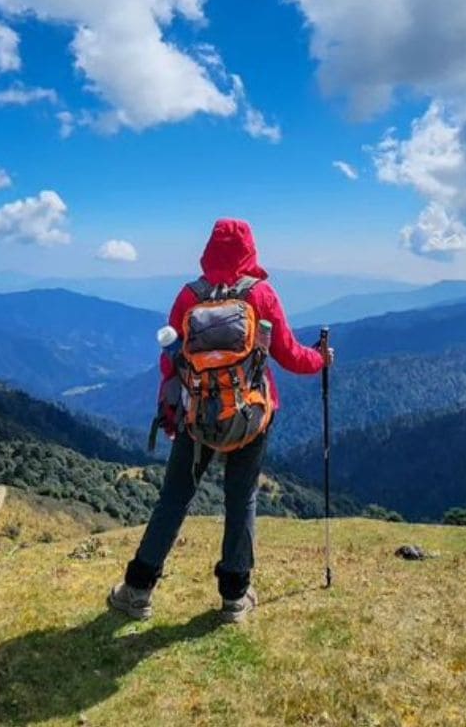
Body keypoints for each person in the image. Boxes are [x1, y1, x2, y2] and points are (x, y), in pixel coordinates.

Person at [107, 219, 333, 624]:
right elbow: (291, 355)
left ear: (209, 250)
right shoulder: (260, 294)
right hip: (250, 415)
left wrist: (175, 407)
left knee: (175, 498)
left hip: (198, 416)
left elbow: (170, 360)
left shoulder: (189, 296)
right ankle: (234, 598)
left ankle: (137, 592)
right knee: (241, 499)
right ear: (250, 250)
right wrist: (321, 359)